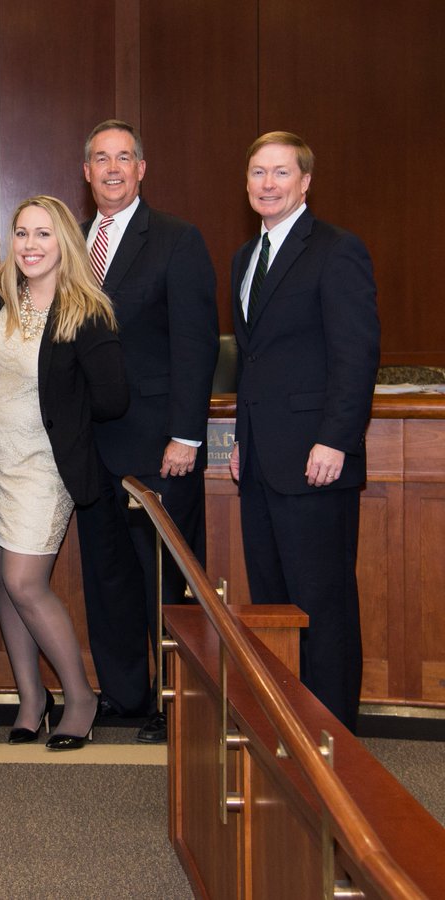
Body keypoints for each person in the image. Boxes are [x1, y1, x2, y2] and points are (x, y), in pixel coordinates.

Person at [229, 132, 379, 732]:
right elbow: (254, 361)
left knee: (323, 603)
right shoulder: (245, 257)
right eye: (258, 172)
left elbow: (356, 355)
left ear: (306, 182)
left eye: (281, 172)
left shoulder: (337, 250)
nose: (268, 184)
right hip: (261, 462)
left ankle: (334, 736)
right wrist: (242, 439)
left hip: (318, 458)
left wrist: (336, 439)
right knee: (275, 604)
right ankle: (289, 727)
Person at [75, 120, 219, 743]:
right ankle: (127, 694)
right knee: (108, 575)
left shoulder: (176, 240)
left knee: (168, 577)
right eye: (101, 159)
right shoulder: (72, 242)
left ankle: (176, 699)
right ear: (86, 172)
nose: (112, 168)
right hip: (90, 447)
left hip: (158, 446)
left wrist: (186, 435)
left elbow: (195, 344)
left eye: (124, 158)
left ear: (141, 169)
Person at [0, 196, 128, 750]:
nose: (30, 245)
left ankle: (80, 697)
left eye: (43, 234)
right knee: (5, 585)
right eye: (22, 233)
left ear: (64, 241)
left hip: (44, 467)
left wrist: (61, 414)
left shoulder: (85, 311)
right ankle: (31, 699)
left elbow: (112, 397)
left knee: (25, 582)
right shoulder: (3, 298)